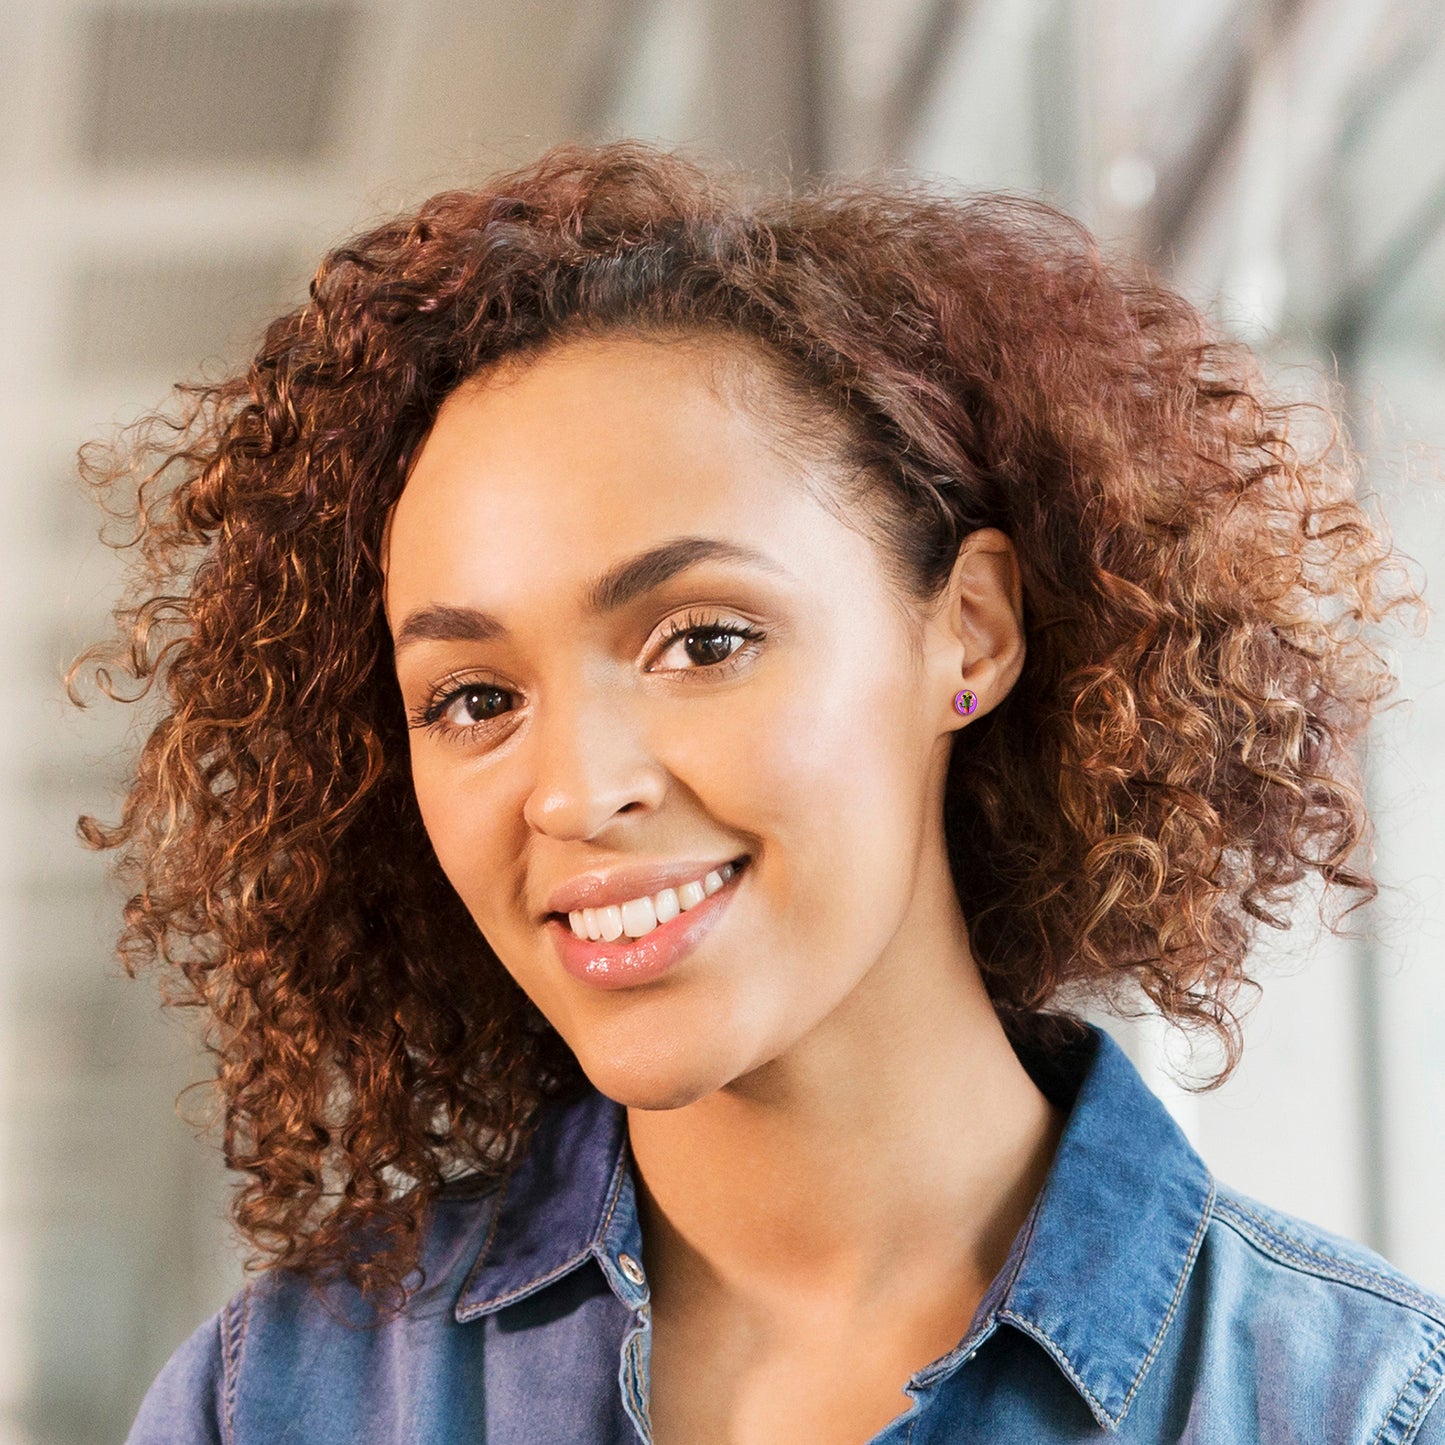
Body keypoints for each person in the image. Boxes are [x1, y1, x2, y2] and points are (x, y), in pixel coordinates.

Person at [76, 140, 1441, 1443]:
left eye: (704, 642)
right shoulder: (281, 1405)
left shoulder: (1349, 1410)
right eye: (475, 699)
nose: (574, 792)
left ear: (966, 630)